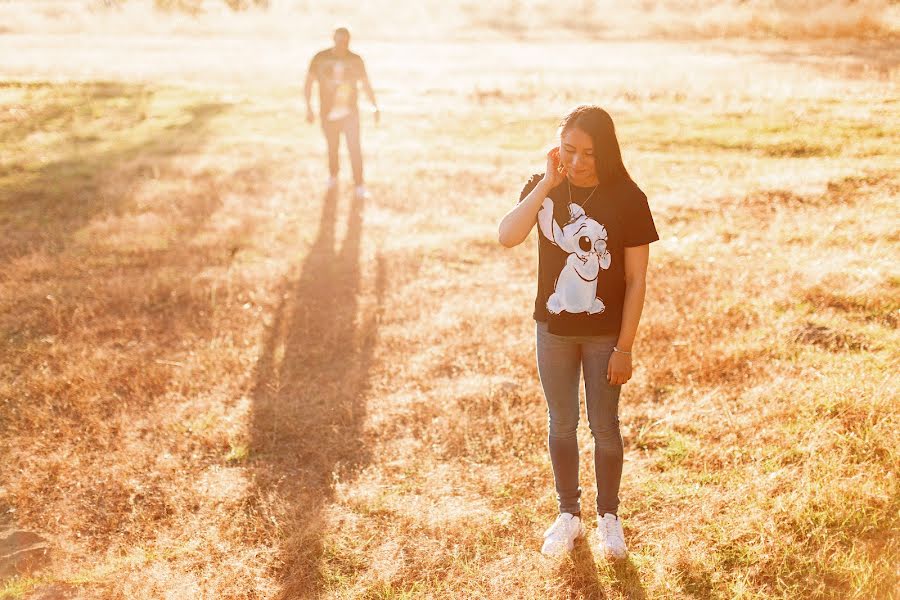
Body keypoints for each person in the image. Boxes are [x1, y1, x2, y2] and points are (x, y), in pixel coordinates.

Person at [497, 105, 659, 561]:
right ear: (557, 147)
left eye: (589, 152)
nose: (578, 161)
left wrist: (624, 347)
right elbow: (508, 235)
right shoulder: (546, 186)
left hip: (605, 334)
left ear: (606, 152)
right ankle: (569, 515)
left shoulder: (629, 197)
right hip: (554, 330)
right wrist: (548, 183)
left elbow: (636, 280)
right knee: (562, 424)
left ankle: (609, 516)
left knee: (605, 426)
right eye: (569, 150)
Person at [304, 26, 380, 198]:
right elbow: (308, 83)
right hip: (327, 112)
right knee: (332, 146)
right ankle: (333, 176)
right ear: (333, 39)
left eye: (345, 41)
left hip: (350, 112)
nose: (341, 45)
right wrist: (309, 107)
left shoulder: (355, 60)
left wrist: (375, 105)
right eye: (339, 41)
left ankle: (359, 184)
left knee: (354, 147)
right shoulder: (320, 58)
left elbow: (366, 84)